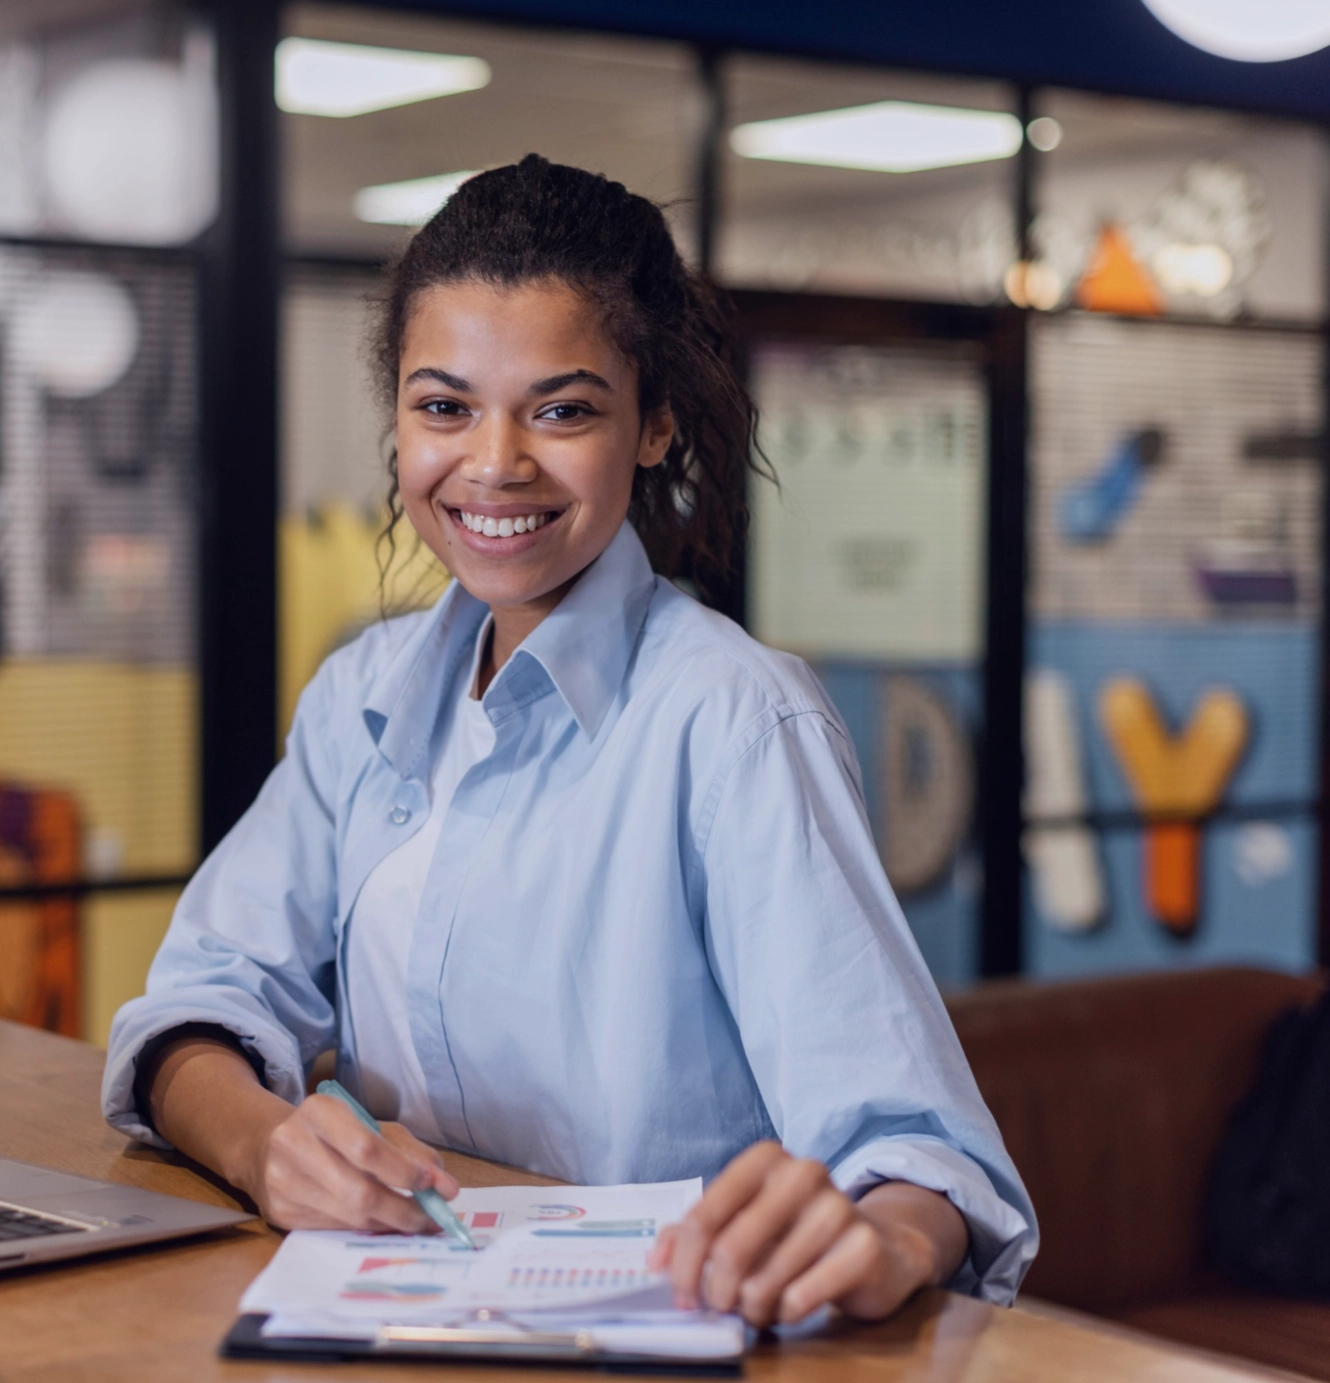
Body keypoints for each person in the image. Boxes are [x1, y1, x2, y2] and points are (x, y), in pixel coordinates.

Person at [103, 155, 1036, 1327]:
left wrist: (877, 1235)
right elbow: (194, 1006)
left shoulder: (735, 719)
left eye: (563, 409)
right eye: (444, 406)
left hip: (664, 1336)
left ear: (651, 428)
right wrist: (266, 1146)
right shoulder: (361, 699)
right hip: (396, 1316)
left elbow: (920, 1157)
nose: (495, 462)